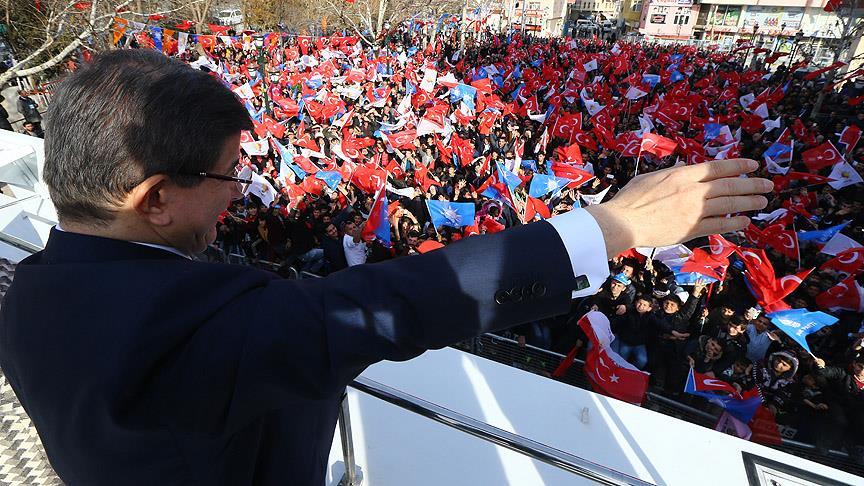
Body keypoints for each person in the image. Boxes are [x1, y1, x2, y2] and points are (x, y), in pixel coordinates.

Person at [0, 50, 772, 485]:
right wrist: (613, 226)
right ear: (156, 198)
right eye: (227, 176)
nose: (237, 194)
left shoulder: (28, 287)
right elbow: (400, 299)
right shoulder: (210, 327)